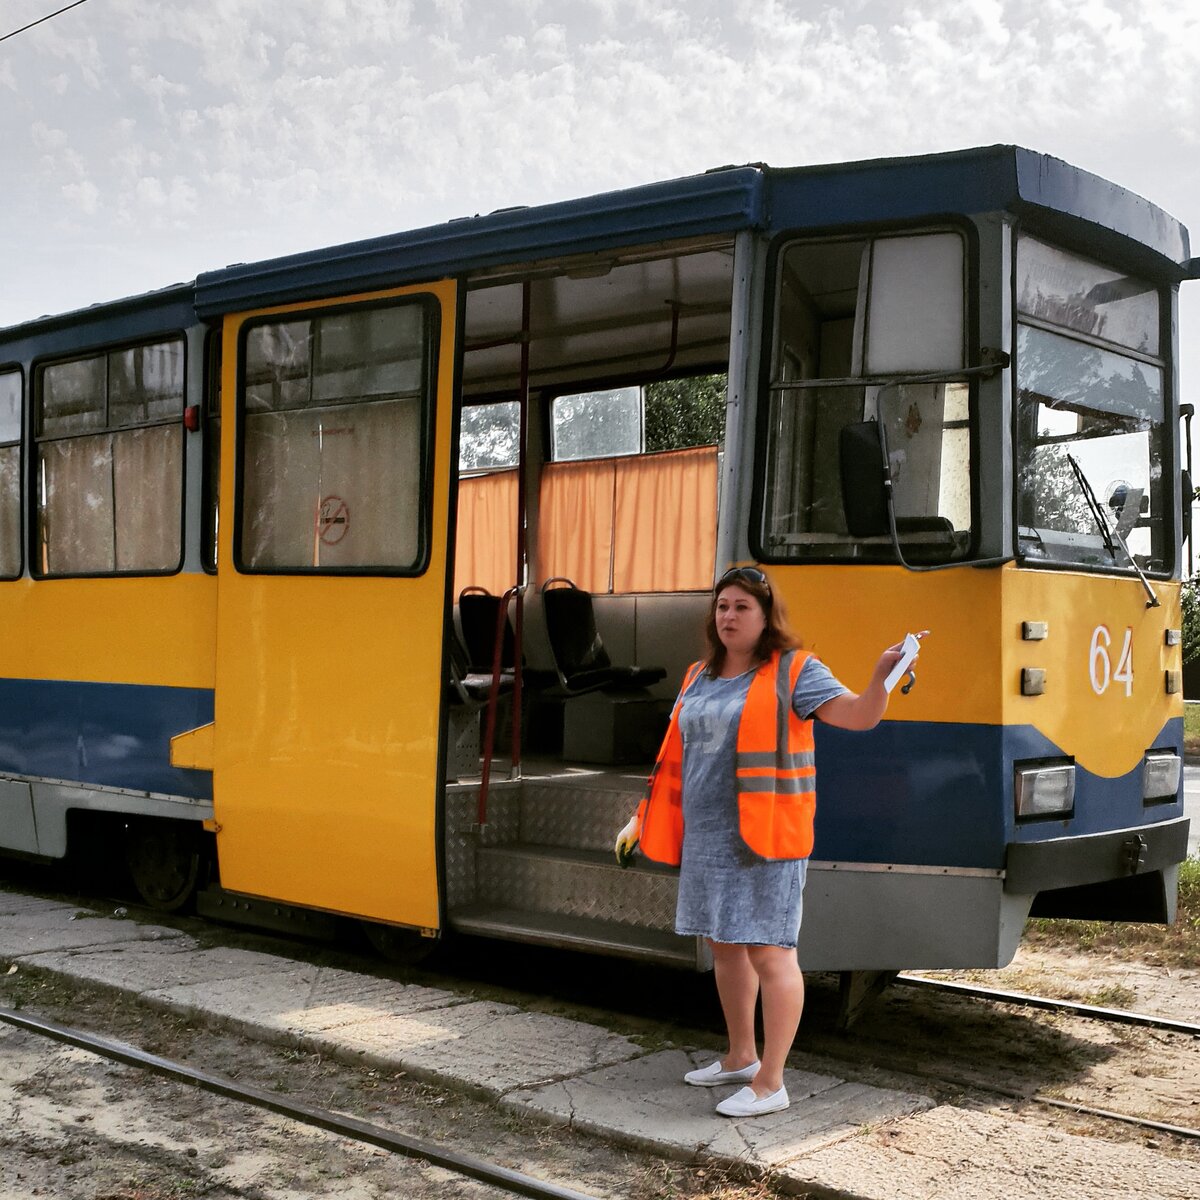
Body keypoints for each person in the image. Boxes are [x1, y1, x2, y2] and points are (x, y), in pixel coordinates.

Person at [614, 566, 914, 1119]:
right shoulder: (697, 676)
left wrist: (880, 680)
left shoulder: (796, 671)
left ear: (765, 615)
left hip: (766, 839)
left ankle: (772, 1082)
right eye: (722, 606)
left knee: (771, 954)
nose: (728, 616)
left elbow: (858, 716)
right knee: (726, 949)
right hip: (708, 839)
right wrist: (642, 817)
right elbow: (674, 760)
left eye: (741, 608)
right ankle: (740, 1057)